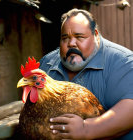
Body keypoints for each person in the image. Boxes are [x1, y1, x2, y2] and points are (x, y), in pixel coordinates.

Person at [39, 8, 133, 139]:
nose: (71, 44)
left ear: (95, 34)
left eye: (79, 37)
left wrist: (87, 129)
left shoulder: (123, 62)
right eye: (65, 38)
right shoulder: (46, 64)